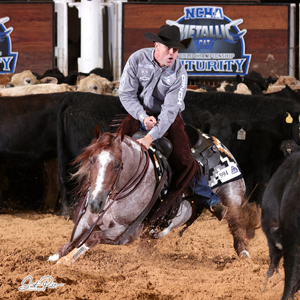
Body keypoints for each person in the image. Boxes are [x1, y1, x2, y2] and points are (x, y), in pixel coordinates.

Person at [117, 24, 227, 223]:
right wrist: (142, 116)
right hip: (138, 113)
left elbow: (169, 111)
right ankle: (98, 192)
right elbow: (126, 94)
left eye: (175, 49)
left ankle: (209, 199)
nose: (172, 53)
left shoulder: (179, 72)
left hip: (168, 118)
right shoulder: (137, 59)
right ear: (156, 46)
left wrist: (150, 137)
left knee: (184, 159)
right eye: (168, 48)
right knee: (113, 149)